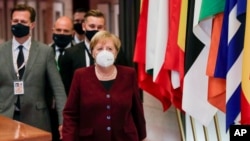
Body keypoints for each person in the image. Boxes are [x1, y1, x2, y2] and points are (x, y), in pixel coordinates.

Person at [62, 30, 146, 141]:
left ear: (116, 53)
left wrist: (142, 136)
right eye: (100, 49)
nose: (104, 52)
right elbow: (71, 114)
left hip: (125, 137)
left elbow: (137, 110)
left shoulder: (129, 74)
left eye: (110, 49)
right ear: (93, 52)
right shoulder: (80, 75)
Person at [0, 4, 67, 139]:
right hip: (5, 118)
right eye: (15, 21)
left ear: (32, 25)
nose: (18, 24)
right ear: (10, 22)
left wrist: (63, 122)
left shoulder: (45, 52)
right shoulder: (1, 51)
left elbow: (58, 90)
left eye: (23, 22)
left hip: (37, 119)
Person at [60, 9, 128, 95]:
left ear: (104, 28)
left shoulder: (115, 51)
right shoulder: (70, 54)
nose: (96, 30)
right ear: (84, 26)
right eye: (92, 26)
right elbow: (65, 86)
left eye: (99, 27)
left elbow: (124, 79)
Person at [48, 16, 74, 141]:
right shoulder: (45, 52)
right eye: (58, 30)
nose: (61, 34)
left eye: (65, 31)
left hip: (72, 111)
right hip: (49, 112)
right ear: (53, 30)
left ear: (72, 33)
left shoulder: (77, 53)